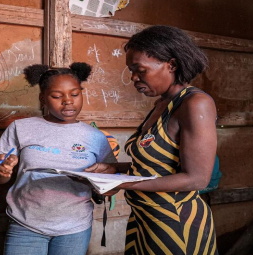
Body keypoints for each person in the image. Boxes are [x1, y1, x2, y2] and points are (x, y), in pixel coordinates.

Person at [85, 25, 218, 254]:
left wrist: (121, 182)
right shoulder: (160, 105)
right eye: (131, 70)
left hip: (176, 224)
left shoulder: (194, 104)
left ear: (172, 65)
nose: (134, 78)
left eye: (140, 70)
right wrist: (113, 169)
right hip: (145, 220)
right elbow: (157, 165)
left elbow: (196, 179)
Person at [0, 62, 117, 255]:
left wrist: (97, 181)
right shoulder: (21, 128)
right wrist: (2, 171)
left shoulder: (95, 137)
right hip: (26, 223)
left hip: (74, 227)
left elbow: (110, 182)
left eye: (75, 94)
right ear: (43, 98)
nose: (68, 101)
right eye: (57, 96)